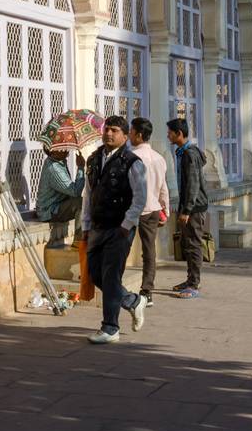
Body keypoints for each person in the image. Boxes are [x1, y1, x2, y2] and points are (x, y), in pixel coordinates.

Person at [79, 115, 148, 343]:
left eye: (115, 130)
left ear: (125, 135)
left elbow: (140, 198)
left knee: (110, 276)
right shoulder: (93, 159)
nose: (109, 134)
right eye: (107, 129)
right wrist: (86, 224)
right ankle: (131, 301)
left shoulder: (132, 162)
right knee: (95, 273)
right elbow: (88, 194)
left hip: (119, 229)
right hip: (97, 226)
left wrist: (126, 225)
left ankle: (110, 328)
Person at [128, 116, 170, 304]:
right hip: (153, 209)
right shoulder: (159, 158)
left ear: (139, 135)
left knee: (122, 248)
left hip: (133, 209)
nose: (129, 135)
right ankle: (147, 291)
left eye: (131, 131)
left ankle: (117, 287)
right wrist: (166, 210)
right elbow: (163, 187)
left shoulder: (132, 157)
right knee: (149, 251)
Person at [166, 118, 209, 297]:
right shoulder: (184, 152)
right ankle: (190, 279)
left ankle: (194, 284)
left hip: (194, 207)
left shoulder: (190, 154)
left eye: (170, 132)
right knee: (188, 244)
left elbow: (192, 184)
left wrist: (186, 210)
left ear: (179, 134)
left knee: (193, 245)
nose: (168, 135)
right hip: (190, 205)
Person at [35, 130, 85, 246]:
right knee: (81, 203)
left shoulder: (59, 162)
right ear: (53, 151)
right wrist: (81, 168)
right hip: (50, 211)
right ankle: (79, 240)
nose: (65, 148)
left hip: (58, 205)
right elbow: (75, 191)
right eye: (62, 146)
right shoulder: (54, 168)